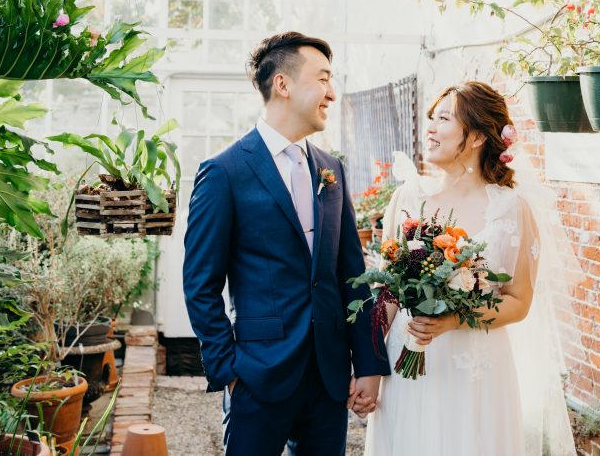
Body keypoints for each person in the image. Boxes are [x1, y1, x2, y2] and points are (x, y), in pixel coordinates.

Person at [184, 31, 390, 456]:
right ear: (283, 84)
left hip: (329, 377)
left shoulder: (331, 169)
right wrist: (228, 369)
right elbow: (200, 284)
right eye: (323, 79)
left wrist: (368, 365)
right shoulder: (224, 172)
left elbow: (353, 275)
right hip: (258, 376)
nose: (332, 93)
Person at [364, 81, 578, 456]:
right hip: (409, 360)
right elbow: (388, 292)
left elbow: (518, 301)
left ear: (478, 135)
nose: (430, 127)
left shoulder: (511, 210)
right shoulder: (408, 197)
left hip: (475, 371)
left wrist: (454, 320)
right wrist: (369, 365)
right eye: (432, 117)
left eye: (444, 118)